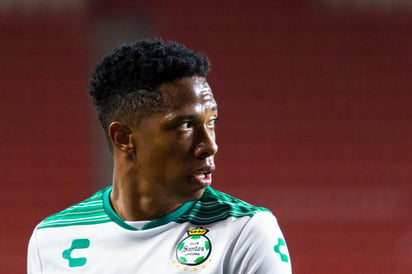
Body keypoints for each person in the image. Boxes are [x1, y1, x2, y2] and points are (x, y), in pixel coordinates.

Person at [27, 38, 292, 273]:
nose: (210, 146)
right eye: (186, 125)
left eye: (212, 121)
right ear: (124, 138)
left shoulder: (245, 231)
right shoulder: (52, 238)